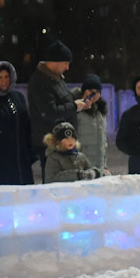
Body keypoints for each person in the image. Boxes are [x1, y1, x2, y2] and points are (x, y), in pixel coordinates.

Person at [27, 40, 91, 180]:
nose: (67, 67)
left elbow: (62, 100)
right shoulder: (40, 82)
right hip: (52, 145)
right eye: (66, 63)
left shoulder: (55, 78)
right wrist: (74, 106)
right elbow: (49, 112)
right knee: (55, 184)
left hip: (62, 143)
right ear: (55, 61)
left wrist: (79, 100)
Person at [0, 60, 36, 186]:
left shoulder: (18, 97)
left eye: (7, 77)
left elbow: (27, 128)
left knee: (23, 198)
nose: (4, 80)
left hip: (21, 160)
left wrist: (31, 154)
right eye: (0, 77)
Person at [73, 74, 109, 174]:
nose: (94, 94)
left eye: (97, 91)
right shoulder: (77, 109)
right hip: (81, 165)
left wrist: (104, 165)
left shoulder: (101, 112)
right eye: (90, 91)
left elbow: (104, 142)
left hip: (99, 165)